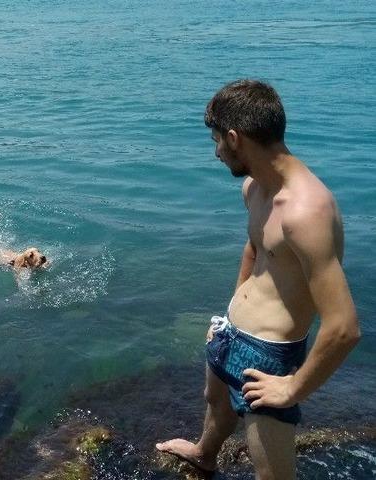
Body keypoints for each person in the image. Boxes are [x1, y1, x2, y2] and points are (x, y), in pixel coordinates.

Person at [156, 80, 361, 479]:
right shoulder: (255, 188)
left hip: (269, 355)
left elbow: (343, 328)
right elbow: (255, 247)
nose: (216, 152)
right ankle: (204, 453)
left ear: (235, 138)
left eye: (217, 141)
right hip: (232, 330)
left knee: (271, 473)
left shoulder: (305, 212)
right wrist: (234, 310)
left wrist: (292, 388)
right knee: (215, 402)